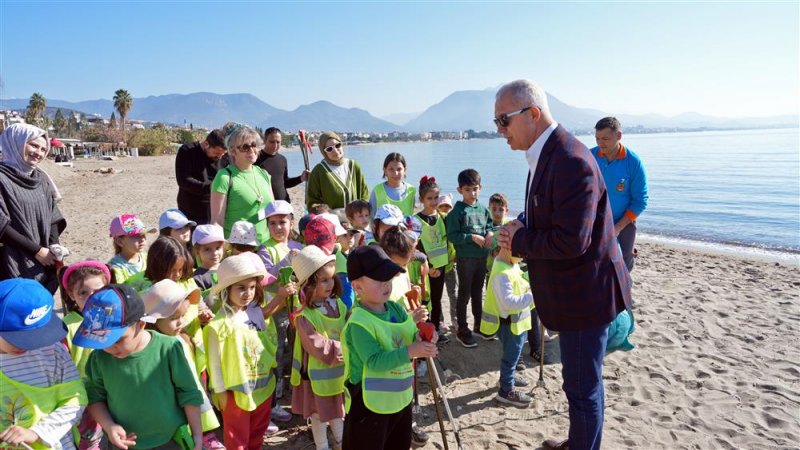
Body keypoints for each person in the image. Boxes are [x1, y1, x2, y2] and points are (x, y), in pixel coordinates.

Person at [495, 79, 632, 450]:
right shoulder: (547, 153)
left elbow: (573, 240)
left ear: (532, 114)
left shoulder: (570, 159)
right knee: (581, 385)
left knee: (582, 388)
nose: (499, 131)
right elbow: (547, 209)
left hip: (585, 296)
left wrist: (518, 240)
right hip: (573, 293)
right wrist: (522, 223)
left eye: (503, 121)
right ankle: (578, 441)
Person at [74, 284, 204, 450]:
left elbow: (189, 392)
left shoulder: (168, 348)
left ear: (141, 324)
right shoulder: (99, 358)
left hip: (171, 440)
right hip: (125, 443)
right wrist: (109, 426)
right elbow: (95, 398)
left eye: (118, 340)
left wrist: (197, 436)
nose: (109, 348)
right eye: (102, 341)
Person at [341, 245, 438, 450]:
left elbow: (411, 333)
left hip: (400, 397)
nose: (386, 285)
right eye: (379, 280)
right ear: (358, 287)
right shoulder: (359, 322)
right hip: (368, 404)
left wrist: (426, 336)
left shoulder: (395, 309)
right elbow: (374, 361)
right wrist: (412, 351)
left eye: (388, 279)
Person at [203, 253, 294, 449]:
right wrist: (220, 392)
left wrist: (281, 295)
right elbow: (214, 363)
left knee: (256, 435)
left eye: (252, 287)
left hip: (262, 388)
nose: (248, 293)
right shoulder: (219, 325)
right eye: (241, 288)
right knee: (237, 439)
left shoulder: (252, 312)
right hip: (235, 394)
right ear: (227, 289)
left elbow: (267, 311)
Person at [0, 278, 87, 450]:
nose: (30, 345)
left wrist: (38, 432)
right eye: (20, 338)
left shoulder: (52, 351)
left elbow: (76, 399)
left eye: (38, 335)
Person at [141, 280, 224, 450]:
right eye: (173, 318)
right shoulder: (155, 348)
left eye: (182, 316)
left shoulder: (182, 338)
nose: (180, 322)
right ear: (154, 320)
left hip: (190, 404)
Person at [289, 246, 347, 450]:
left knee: (337, 409)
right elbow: (316, 345)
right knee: (318, 414)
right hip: (317, 376)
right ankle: (322, 446)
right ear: (308, 285)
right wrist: (346, 350)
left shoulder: (339, 305)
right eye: (323, 280)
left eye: (331, 278)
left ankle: (341, 441)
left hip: (338, 373)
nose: (330, 284)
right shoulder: (304, 316)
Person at [0, 123, 67, 293]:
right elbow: (2, 225)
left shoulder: (41, 178)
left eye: (43, 149)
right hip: (10, 258)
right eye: (34, 145)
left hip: (44, 256)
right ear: (16, 142)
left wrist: (54, 247)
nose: (39, 153)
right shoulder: (2, 178)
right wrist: (36, 251)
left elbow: (52, 215)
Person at [59, 260, 111, 449]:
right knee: (90, 441)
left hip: (116, 392)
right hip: (85, 401)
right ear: (72, 295)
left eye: (98, 291)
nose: (92, 298)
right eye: (83, 293)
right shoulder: (66, 327)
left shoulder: (114, 317)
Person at [590, 117, 649, 272]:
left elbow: (640, 201)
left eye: (605, 139)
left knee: (624, 259)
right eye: (597, 138)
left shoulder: (633, 162)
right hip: (594, 220)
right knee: (595, 260)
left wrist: (618, 227)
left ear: (618, 136)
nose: (600, 143)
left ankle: (624, 290)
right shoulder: (589, 157)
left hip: (624, 222)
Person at [445, 169, 495, 348]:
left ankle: (479, 326)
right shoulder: (457, 212)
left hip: (482, 258)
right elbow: (452, 235)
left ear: (480, 188)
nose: (472, 193)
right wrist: (472, 237)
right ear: (460, 190)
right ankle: (462, 330)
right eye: (467, 190)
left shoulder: (483, 210)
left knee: (477, 293)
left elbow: (490, 225)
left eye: (475, 189)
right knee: (464, 294)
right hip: (465, 259)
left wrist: (489, 233)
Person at [481, 246, 533, 407]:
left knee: (514, 354)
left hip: (518, 323)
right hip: (510, 324)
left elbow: (520, 280)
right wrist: (534, 295)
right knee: (510, 358)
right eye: (520, 255)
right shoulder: (502, 273)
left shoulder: (511, 263)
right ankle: (506, 390)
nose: (522, 258)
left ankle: (508, 377)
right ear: (508, 249)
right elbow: (509, 302)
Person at [210, 125, 275, 245]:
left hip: (265, 247)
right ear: (233, 151)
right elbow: (217, 223)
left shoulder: (264, 174)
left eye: (254, 145)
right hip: (238, 249)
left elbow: (273, 212)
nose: (251, 150)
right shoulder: (224, 177)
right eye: (245, 147)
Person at [415, 177, 449, 341]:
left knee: (437, 299)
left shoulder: (442, 217)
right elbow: (418, 245)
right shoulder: (417, 220)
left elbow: (445, 240)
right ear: (422, 200)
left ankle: (436, 329)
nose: (434, 201)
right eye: (429, 198)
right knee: (425, 299)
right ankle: (426, 329)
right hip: (426, 268)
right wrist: (429, 266)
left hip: (440, 266)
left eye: (436, 197)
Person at [306, 131, 369, 210]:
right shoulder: (318, 171)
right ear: (323, 151)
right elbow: (312, 201)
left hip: (356, 219)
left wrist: (362, 213)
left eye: (337, 145)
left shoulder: (353, 166)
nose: (335, 150)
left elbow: (364, 193)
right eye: (329, 149)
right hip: (330, 220)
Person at [175, 129, 227, 225]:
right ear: (206, 144)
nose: (220, 157)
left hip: (216, 210)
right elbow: (183, 180)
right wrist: (210, 187)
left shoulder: (224, 156)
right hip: (191, 210)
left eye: (222, 154)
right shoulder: (187, 151)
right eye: (216, 153)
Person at [256, 127, 309, 203]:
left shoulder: (282, 159)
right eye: (272, 142)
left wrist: (301, 178)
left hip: (284, 204)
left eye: (278, 142)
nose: (275, 145)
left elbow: (285, 183)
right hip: (266, 206)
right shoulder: (256, 158)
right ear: (265, 140)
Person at [107, 214, 156, 284]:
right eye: (136, 236)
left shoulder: (148, 258)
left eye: (144, 234)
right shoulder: (115, 268)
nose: (142, 239)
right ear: (119, 241)